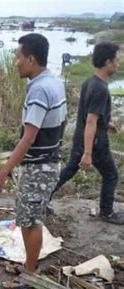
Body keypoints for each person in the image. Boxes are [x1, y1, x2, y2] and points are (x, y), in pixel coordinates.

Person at [0, 33, 67, 289]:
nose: (15, 62)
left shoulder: (40, 89)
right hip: (49, 161)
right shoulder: (53, 81)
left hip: (39, 166)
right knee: (31, 217)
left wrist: (3, 172)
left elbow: (29, 137)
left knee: (30, 221)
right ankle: (30, 265)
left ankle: (31, 274)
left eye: (18, 57)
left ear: (31, 60)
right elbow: (61, 123)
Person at [51, 42, 123, 225]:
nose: (118, 63)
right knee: (111, 175)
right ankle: (106, 212)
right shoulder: (100, 88)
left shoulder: (89, 82)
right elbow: (91, 120)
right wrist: (88, 153)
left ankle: (41, 199)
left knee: (68, 171)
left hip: (81, 136)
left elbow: (90, 116)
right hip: (95, 143)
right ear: (108, 62)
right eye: (116, 60)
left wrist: (107, 124)